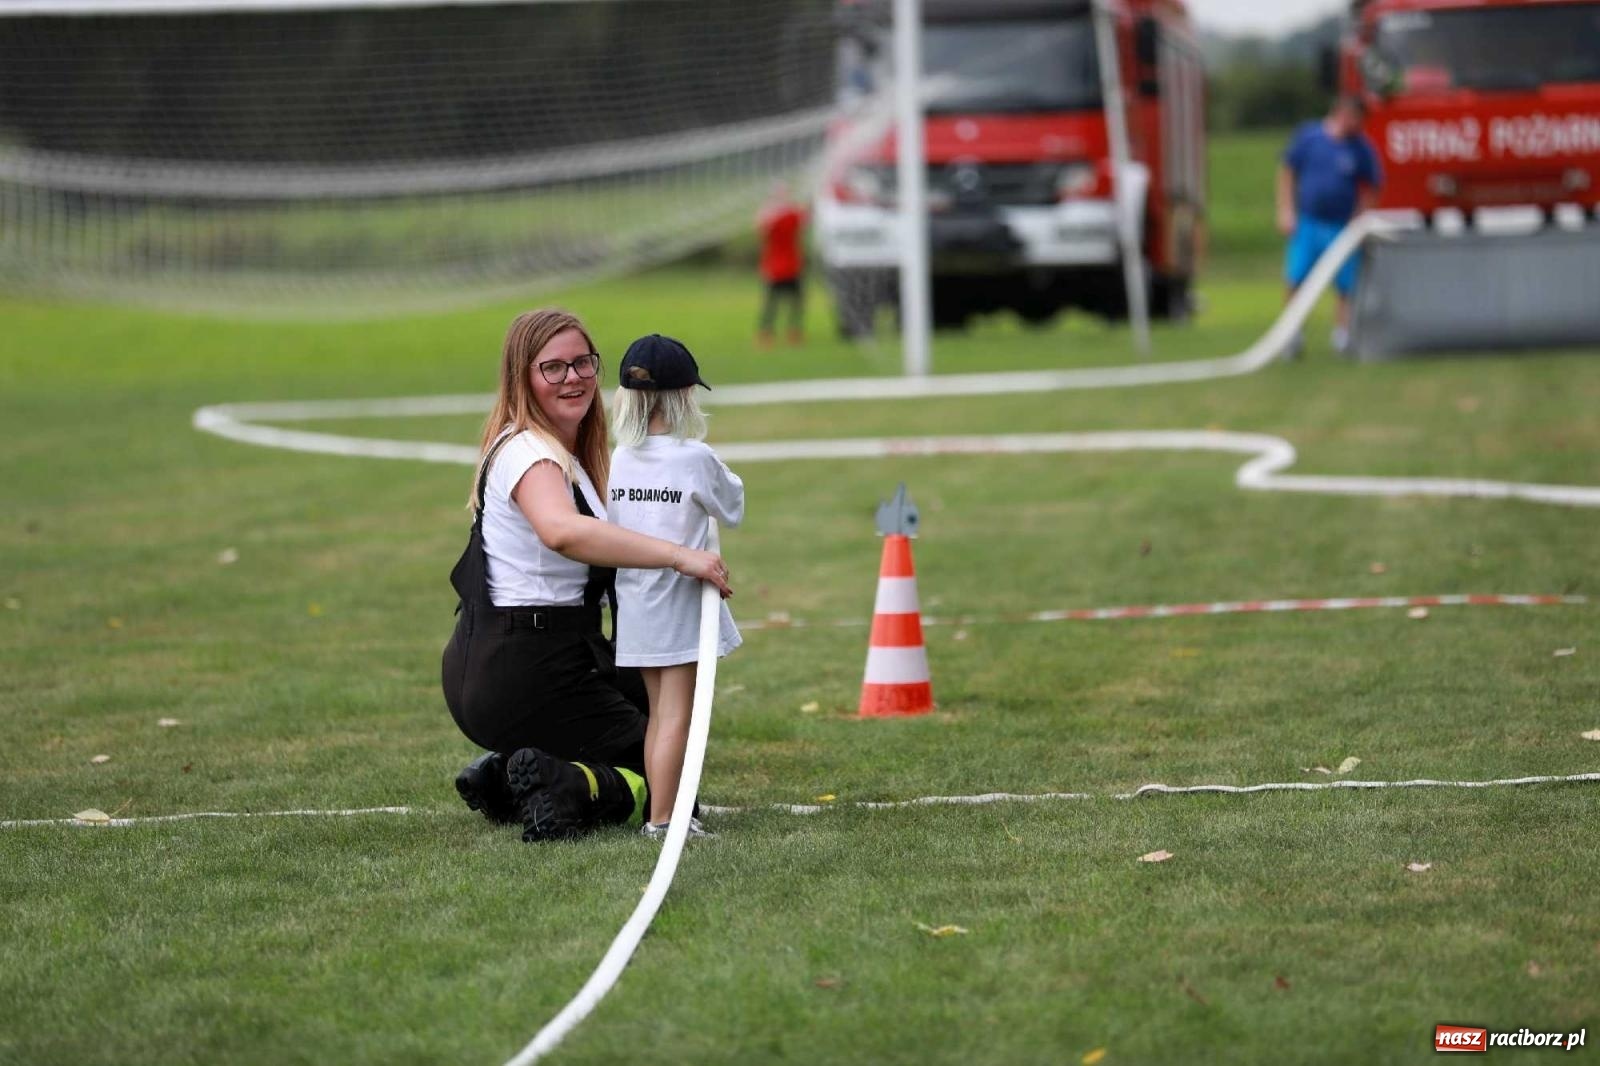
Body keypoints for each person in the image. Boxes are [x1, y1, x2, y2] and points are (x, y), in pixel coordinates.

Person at [441, 308, 733, 843]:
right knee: (669, 779)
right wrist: (677, 555)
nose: (572, 377)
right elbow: (562, 532)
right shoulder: (531, 452)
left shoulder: (559, 450)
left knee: (660, 709)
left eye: (582, 363)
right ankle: (561, 784)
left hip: (515, 658)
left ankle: (506, 772)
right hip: (527, 666)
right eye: (553, 368)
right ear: (522, 378)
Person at [608, 334, 744, 840]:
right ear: (684, 395)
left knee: (659, 714)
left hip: (636, 603)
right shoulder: (694, 457)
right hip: (677, 603)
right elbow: (732, 505)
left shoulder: (618, 458)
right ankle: (665, 821)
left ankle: (662, 815)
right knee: (675, 717)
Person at [1277, 95, 1383, 356]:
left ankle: (1342, 335)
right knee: (1296, 277)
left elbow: (1373, 185)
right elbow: (1287, 171)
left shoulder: (1360, 147)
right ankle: (1292, 334)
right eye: (1351, 116)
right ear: (1338, 112)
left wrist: (1360, 216)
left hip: (1340, 226)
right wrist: (1286, 210)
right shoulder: (1310, 137)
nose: (1354, 123)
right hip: (1309, 222)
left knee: (1346, 283)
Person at [756, 182, 807, 348]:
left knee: (794, 302)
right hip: (777, 266)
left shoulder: (787, 214)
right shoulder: (774, 216)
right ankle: (767, 333)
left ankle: (792, 332)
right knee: (773, 303)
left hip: (790, 265)